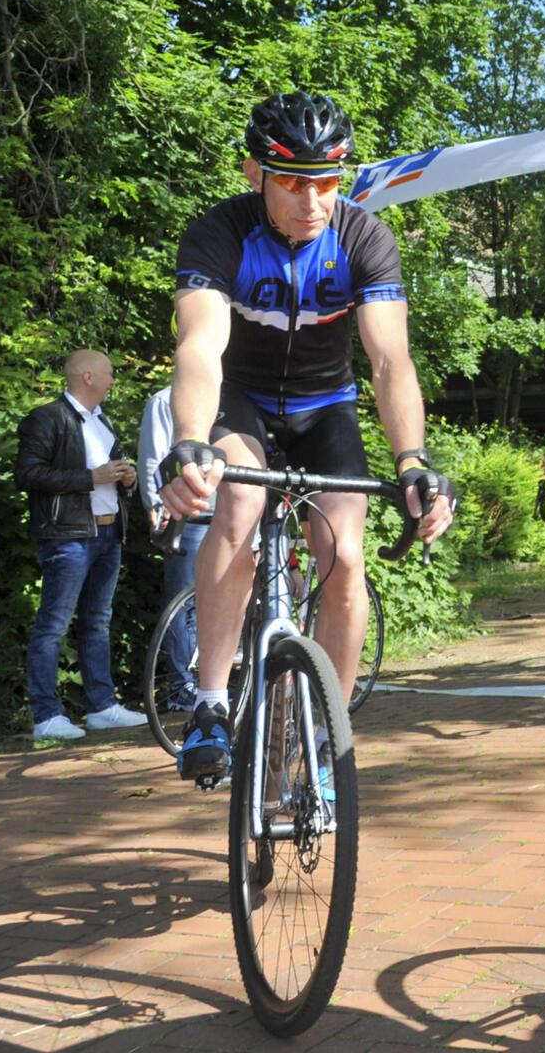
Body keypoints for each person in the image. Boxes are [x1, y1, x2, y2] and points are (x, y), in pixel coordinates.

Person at [156, 92, 456, 783]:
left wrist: (411, 458)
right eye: (293, 181)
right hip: (242, 403)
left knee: (345, 555)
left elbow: (389, 361)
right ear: (253, 173)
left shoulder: (364, 238)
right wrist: (193, 439)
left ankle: (328, 732)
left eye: (328, 179)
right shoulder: (218, 234)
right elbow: (200, 345)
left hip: (326, 408)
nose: (313, 199)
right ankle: (208, 704)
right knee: (236, 506)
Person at [15, 350, 149, 740]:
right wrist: (92, 477)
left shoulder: (100, 420)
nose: (112, 381)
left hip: (107, 534)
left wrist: (126, 479)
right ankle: (46, 717)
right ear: (88, 377)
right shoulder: (47, 418)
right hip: (68, 536)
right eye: (108, 375)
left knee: (97, 623)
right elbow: (28, 474)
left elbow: (107, 475)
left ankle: (102, 708)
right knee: (53, 625)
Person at [138, 384, 207, 713]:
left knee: (212, 604)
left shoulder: (232, 392)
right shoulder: (164, 400)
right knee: (181, 605)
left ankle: (206, 685)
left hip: (227, 519)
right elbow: (153, 458)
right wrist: (157, 509)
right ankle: (181, 686)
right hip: (187, 517)